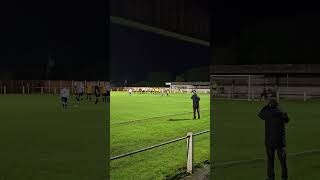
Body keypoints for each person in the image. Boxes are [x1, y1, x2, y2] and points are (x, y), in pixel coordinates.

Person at [258, 98, 289, 180]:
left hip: (270, 141)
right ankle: (284, 177)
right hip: (280, 141)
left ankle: (271, 177)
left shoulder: (267, 113)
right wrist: (282, 111)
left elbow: (260, 114)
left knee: (270, 160)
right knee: (283, 161)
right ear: (277, 105)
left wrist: (267, 106)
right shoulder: (281, 113)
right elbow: (287, 120)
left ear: (270, 105)